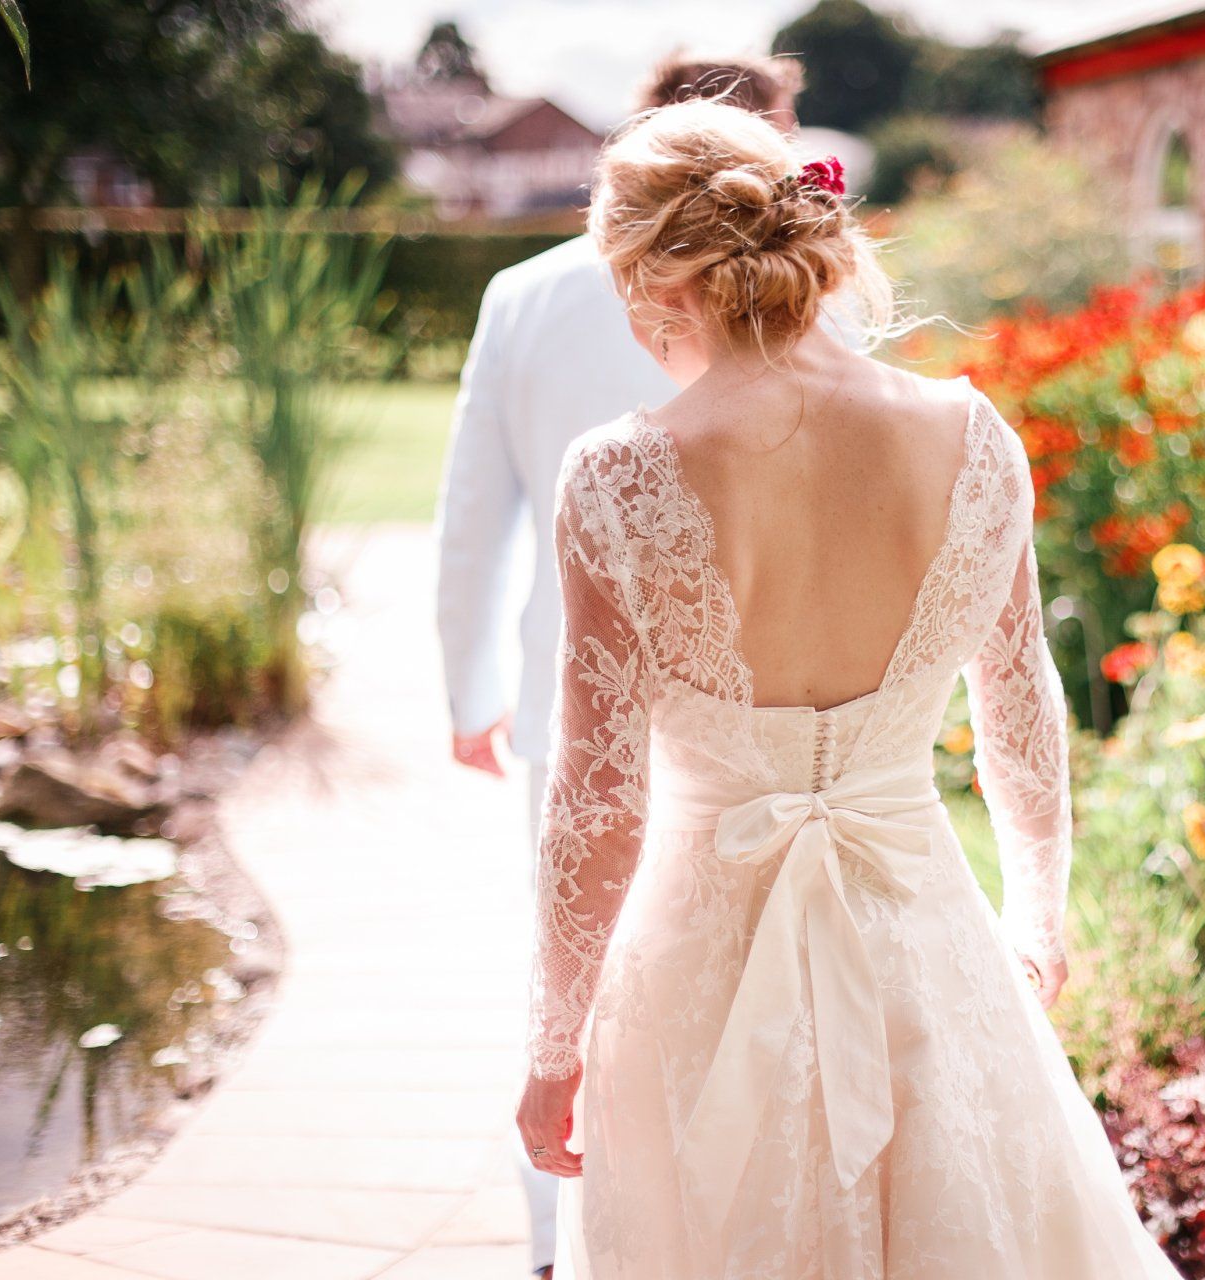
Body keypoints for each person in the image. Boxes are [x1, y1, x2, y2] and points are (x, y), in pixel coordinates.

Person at [513, 99, 1185, 1278]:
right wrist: (1038, 912)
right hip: (923, 935)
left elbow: (597, 801)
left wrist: (555, 1045)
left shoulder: (616, 477)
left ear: (651, 278)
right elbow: (1020, 715)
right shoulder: (973, 437)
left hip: (694, 976)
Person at [434, 53, 804, 1280]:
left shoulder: (522, 293)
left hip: (566, 690)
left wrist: (469, 689)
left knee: (573, 950)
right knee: (743, 980)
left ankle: (568, 1237)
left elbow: (472, 512)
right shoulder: (816, 299)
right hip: (765, 707)